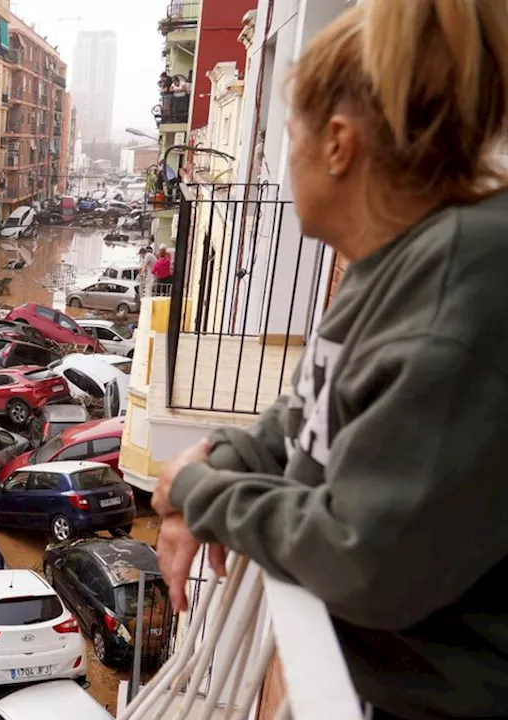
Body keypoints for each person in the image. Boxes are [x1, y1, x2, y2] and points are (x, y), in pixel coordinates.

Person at [150, 2, 508, 719]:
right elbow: (308, 408)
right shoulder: (394, 263)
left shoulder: (458, 294)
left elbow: (362, 557)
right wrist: (224, 455)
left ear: (339, 144)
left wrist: (202, 494)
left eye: (290, 135)